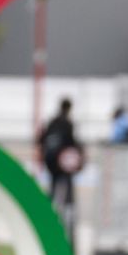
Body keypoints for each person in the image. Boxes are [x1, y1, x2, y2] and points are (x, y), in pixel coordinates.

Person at [37, 97, 85, 240]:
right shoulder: (67, 123)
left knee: (52, 186)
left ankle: (47, 213)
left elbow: (41, 139)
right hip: (62, 162)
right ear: (69, 108)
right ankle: (67, 216)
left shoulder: (52, 121)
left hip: (50, 160)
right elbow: (71, 143)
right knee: (67, 188)